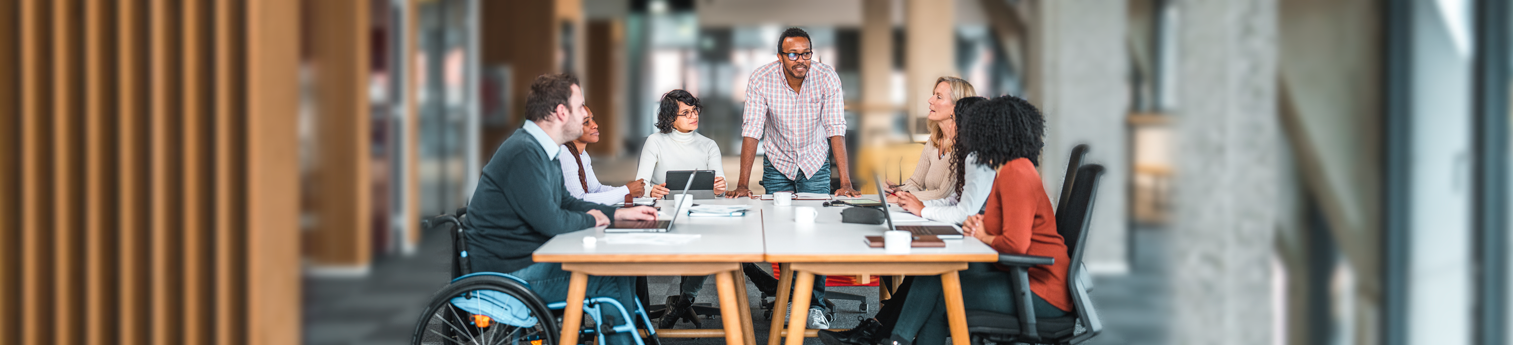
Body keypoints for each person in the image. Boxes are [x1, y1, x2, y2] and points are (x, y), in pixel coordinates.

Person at [824, 95, 1071, 345]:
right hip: (1021, 276)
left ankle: (894, 341)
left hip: (1041, 291)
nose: (971, 136)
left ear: (994, 132)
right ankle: (893, 340)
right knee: (935, 271)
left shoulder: (1016, 172)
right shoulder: (1010, 170)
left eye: (978, 129)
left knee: (943, 293)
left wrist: (984, 235)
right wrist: (980, 226)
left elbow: (1015, 244)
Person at [465, 73, 659, 345]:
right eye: (580, 107)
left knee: (619, 267)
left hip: (528, 259)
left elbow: (566, 201)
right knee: (608, 277)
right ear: (561, 112)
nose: (585, 115)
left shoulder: (545, 149)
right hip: (508, 273)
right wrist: (593, 220)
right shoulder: (524, 152)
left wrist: (619, 213)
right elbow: (551, 221)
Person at [726, 27, 856, 329]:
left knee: (817, 234)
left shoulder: (826, 77)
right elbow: (752, 130)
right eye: (793, 54)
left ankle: (815, 305)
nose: (801, 60)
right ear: (780, 56)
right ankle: (788, 298)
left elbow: (835, 127)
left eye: (806, 53)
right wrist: (743, 183)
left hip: (814, 161)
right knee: (780, 232)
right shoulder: (761, 78)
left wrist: (845, 181)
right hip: (778, 162)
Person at [892, 96, 991, 225]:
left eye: (954, 121)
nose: (950, 127)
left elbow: (963, 214)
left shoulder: (978, 159)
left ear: (968, 126)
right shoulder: (970, 156)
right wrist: (917, 204)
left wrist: (921, 210)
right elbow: (954, 201)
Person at [888, 76, 977, 202]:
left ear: (956, 107)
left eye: (938, 97)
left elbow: (942, 195)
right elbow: (916, 183)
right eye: (933, 95)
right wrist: (898, 190)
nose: (930, 100)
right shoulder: (934, 139)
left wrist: (901, 197)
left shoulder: (963, 145)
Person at [561, 105, 666, 204]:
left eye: (592, 119)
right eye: (586, 122)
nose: (595, 125)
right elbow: (578, 200)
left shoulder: (583, 155)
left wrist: (631, 190)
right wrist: (626, 191)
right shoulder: (565, 155)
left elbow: (596, 189)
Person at [634, 90, 727, 198]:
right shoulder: (654, 141)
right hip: (663, 205)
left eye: (694, 110)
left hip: (700, 206)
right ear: (670, 118)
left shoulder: (709, 145)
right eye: (685, 113)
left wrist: (719, 188)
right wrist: (650, 191)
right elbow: (640, 185)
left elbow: (721, 185)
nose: (694, 116)